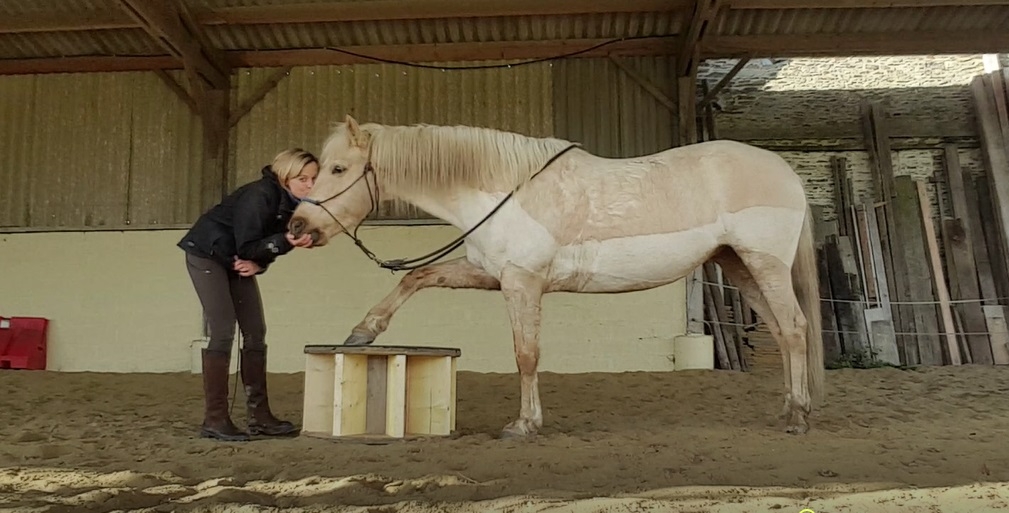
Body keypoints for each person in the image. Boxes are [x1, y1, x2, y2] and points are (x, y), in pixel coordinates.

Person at [178, 148, 319, 442]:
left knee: (255, 331)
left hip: (236, 259)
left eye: (314, 179)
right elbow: (251, 245)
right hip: (207, 254)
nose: (310, 185)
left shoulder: (293, 202)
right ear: (285, 177)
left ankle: (260, 416)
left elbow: (261, 247)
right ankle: (215, 418)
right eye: (303, 179)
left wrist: (261, 263)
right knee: (223, 330)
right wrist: (282, 244)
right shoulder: (260, 195)